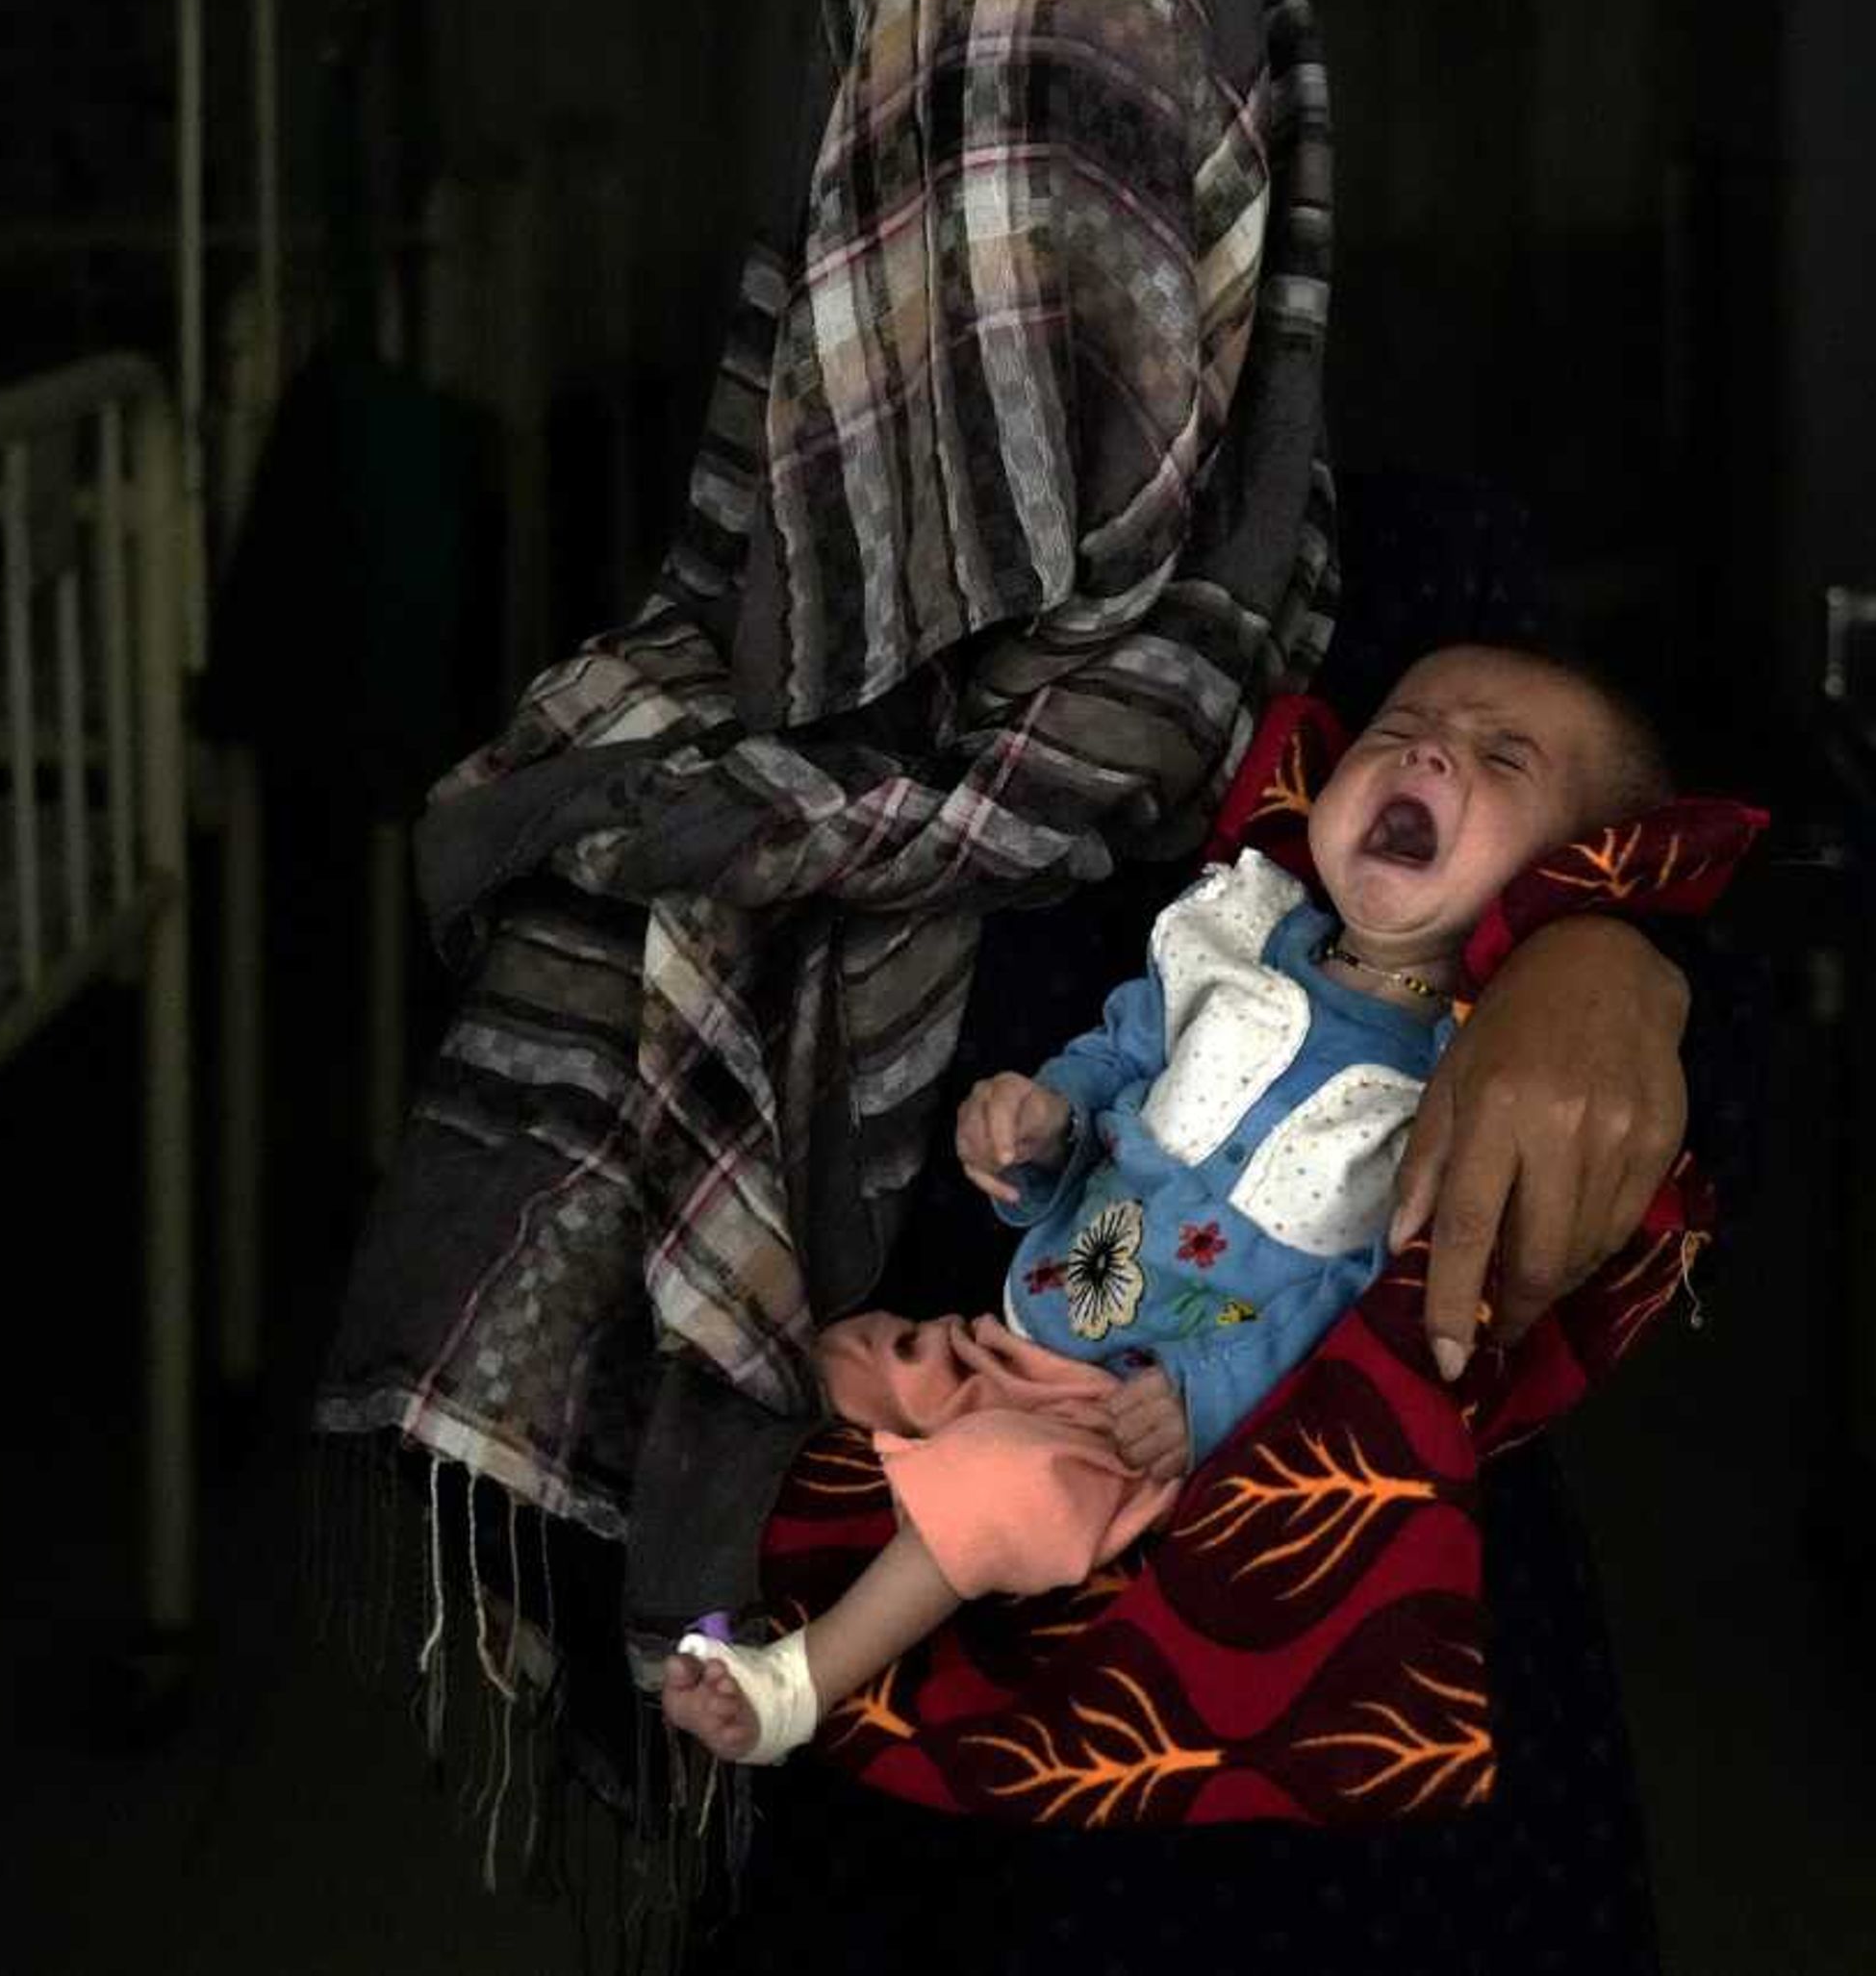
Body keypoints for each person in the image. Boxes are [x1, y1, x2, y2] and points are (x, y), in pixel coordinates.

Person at [315, 0, 1708, 1970]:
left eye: (1111, 157)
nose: (1031, 250)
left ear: (1248, 201)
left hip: (1362, 1787)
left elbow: (1657, 830)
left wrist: (1616, 943)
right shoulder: (678, 726)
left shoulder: (1412, 611)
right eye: (951, 153)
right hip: (915, 1800)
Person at [661, 645, 1672, 1763]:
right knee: (815, 1374)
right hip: (1019, 1334)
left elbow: (1368, 1293)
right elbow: (1113, 1066)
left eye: (1501, 757)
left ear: (1564, 876)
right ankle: (706, 1610)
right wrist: (1035, 1124)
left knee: (999, 1487)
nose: (1430, 748)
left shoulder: (1460, 1078)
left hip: (1135, 1423)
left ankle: (795, 1685)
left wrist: (1209, 1395)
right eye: (1399, 728)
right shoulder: (1230, 937)